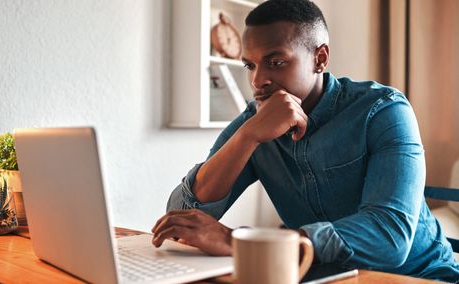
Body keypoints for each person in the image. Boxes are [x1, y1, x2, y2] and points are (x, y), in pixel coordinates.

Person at [151, 0, 459, 281]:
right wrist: (247, 137)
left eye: (276, 62)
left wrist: (238, 242)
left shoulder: (383, 110)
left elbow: (389, 238)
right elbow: (181, 216)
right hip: (322, 277)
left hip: (421, 276)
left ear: (320, 58)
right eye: (250, 65)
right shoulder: (254, 122)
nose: (258, 81)